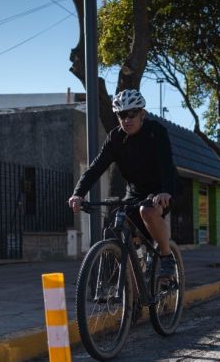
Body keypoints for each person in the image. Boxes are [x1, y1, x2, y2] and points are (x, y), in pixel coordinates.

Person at [68, 89, 179, 279]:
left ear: (142, 114)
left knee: (147, 211)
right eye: (121, 115)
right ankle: (136, 272)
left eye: (131, 114)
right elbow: (96, 168)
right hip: (135, 193)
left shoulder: (156, 131)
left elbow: (167, 164)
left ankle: (167, 256)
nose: (127, 119)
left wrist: (166, 191)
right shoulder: (116, 138)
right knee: (117, 224)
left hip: (160, 189)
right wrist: (78, 193)